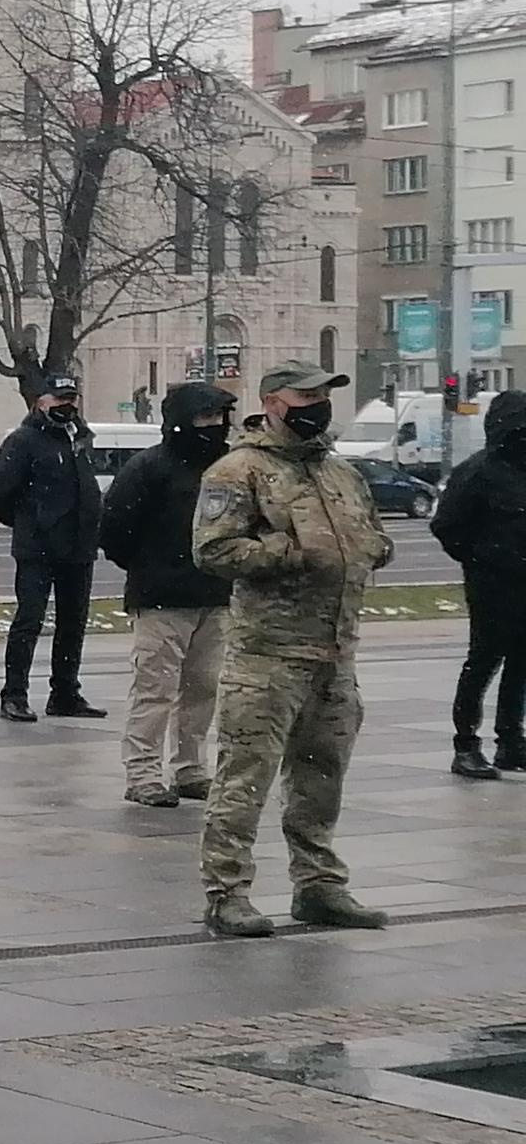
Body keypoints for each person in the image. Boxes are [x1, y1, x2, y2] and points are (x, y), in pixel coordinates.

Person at [191, 363, 391, 937]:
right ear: (273, 403)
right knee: (244, 778)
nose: (318, 405)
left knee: (322, 776)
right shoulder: (239, 471)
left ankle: (319, 885)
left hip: (335, 654)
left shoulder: (340, 472)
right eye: (306, 396)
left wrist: (371, 549)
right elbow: (213, 550)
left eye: (323, 396)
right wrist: (285, 552)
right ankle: (227, 893)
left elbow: (370, 535)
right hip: (268, 657)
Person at [99, 382, 237, 807]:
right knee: (154, 688)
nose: (213, 427)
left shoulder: (229, 468)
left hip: (214, 595)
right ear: (181, 421)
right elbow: (115, 529)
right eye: (204, 418)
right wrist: (151, 568)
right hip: (160, 597)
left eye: (218, 418)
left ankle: (191, 767)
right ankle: (142, 773)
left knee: (203, 687)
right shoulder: (149, 468)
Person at [0, 373, 109, 721]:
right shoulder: (23, 441)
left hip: (79, 547)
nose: (67, 406)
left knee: (74, 623)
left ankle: (66, 693)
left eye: (72, 398)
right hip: (38, 548)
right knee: (29, 621)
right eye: (59, 399)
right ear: (41, 403)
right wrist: (30, 522)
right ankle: (14, 695)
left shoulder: (81, 438)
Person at [427, 389, 526, 778]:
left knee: (520, 664)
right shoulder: (478, 472)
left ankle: (511, 742)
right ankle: (466, 745)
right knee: (483, 662)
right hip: (492, 585)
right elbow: (446, 526)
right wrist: (480, 559)